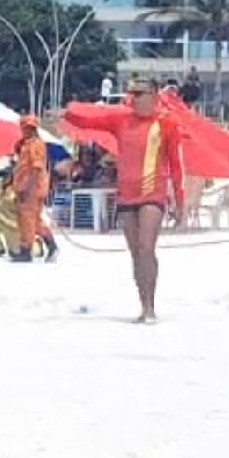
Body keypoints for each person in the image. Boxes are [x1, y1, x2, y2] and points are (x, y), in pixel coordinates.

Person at [64, 78, 187, 323]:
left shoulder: (167, 123)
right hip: (126, 193)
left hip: (152, 192)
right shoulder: (121, 119)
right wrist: (68, 113)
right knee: (135, 253)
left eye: (140, 94)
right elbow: (91, 121)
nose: (134, 98)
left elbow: (176, 164)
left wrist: (180, 201)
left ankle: (150, 306)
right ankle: (143, 304)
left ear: (154, 96)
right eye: (132, 94)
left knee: (146, 247)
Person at [11, 116, 60, 262]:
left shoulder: (36, 145)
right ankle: (50, 246)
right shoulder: (26, 144)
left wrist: (28, 188)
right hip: (25, 188)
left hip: (31, 189)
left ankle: (27, 250)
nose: (25, 131)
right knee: (32, 220)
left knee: (28, 220)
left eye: (27, 128)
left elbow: (36, 169)